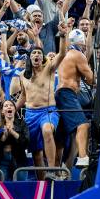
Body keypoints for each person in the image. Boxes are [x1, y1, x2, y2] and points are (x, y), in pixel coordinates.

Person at [18, 22, 68, 179]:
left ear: (43, 57)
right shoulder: (22, 75)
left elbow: (62, 53)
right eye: (33, 53)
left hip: (48, 111)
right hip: (30, 114)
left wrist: (63, 35)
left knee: (47, 130)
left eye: (39, 53)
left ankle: (52, 170)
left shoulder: (49, 69)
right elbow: (23, 96)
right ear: (29, 57)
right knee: (36, 151)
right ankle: (42, 181)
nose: (36, 55)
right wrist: (11, 108)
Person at [56, 28, 94, 167]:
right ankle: (83, 157)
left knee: (63, 135)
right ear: (82, 44)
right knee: (83, 125)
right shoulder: (78, 55)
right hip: (67, 93)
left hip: (61, 94)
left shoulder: (65, 55)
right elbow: (91, 79)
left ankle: (59, 169)